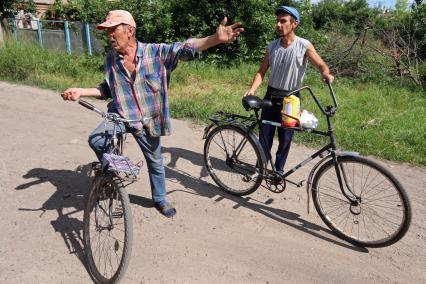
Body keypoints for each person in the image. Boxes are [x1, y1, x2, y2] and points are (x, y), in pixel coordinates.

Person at [61, 10, 243, 218]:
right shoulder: (111, 60)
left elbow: (183, 48)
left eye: (113, 29)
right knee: (96, 139)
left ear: (129, 30)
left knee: (155, 162)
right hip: (120, 114)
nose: (109, 34)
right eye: (107, 30)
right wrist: (80, 91)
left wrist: (215, 39)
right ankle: (112, 176)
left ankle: (160, 199)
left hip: (147, 120)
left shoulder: (156, 53)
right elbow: (107, 89)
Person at [244, 6, 333, 175]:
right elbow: (261, 71)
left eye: (283, 21)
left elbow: (321, 64)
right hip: (270, 96)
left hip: (291, 98)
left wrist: (326, 74)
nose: (278, 24)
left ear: (294, 24)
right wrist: (252, 89)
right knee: (265, 135)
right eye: (277, 21)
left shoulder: (304, 45)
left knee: (286, 138)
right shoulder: (272, 46)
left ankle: (278, 171)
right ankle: (260, 169)